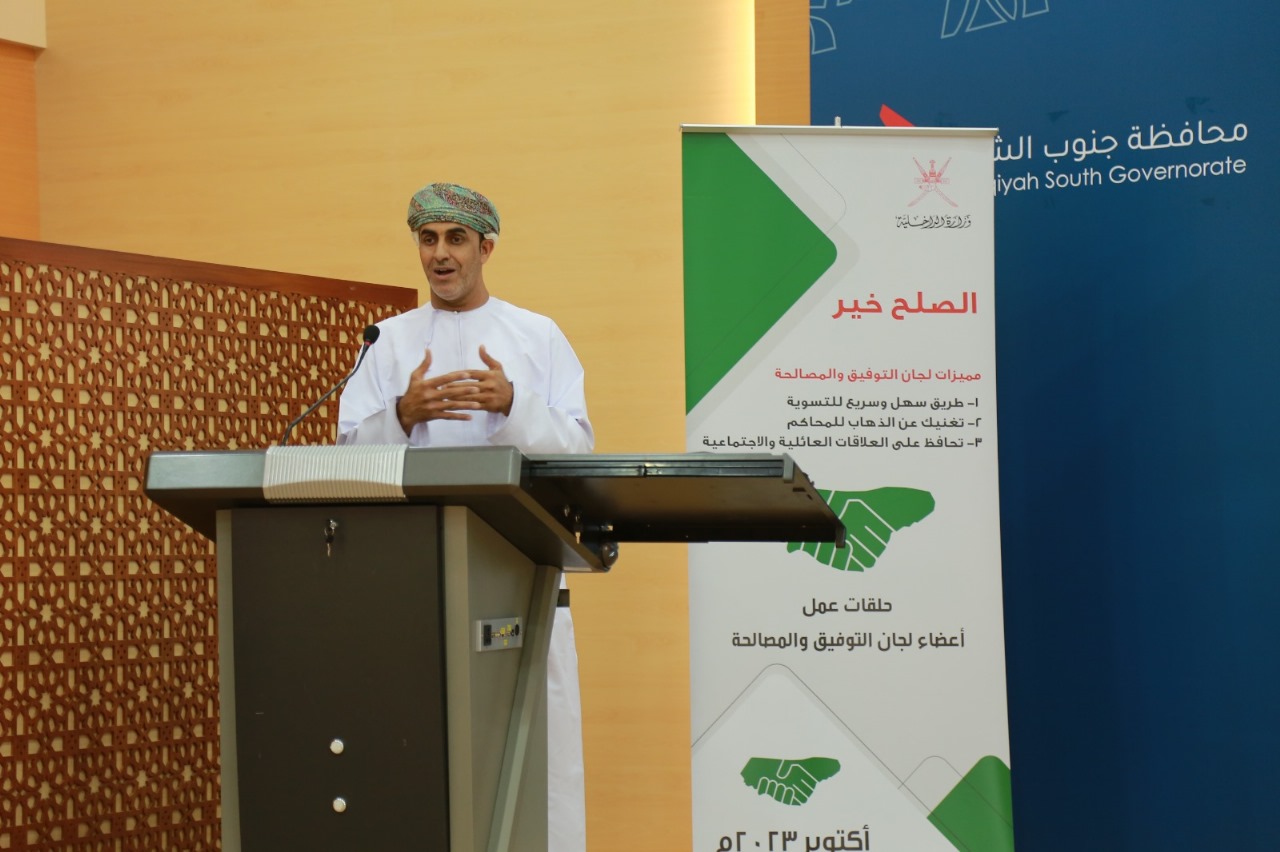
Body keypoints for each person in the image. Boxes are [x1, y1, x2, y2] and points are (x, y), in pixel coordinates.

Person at [337, 182, 592, 852]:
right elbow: (345, 459)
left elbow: (579, 452)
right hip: (415, 584)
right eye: (427, 239)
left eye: (455, 239)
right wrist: (401, 416)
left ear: (487, 248)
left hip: (523, 579)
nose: (440, 254)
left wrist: (514, 406)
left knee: (537, 760)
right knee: (420, 754)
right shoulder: (386, 342)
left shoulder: (537, 336)